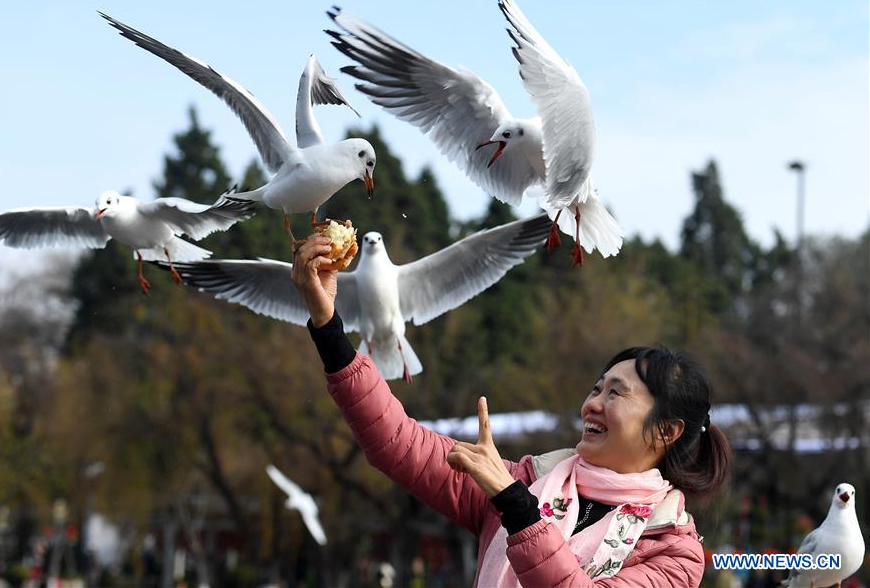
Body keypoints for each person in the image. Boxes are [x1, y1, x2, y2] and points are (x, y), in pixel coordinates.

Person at [291, 234, 732, 587]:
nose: (592, 404)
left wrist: (517, 507)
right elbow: (396, 442)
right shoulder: (523, 480)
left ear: (667, 431)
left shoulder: (675, 551)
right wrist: (329, 328)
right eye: (597, 388)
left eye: (616, 394)